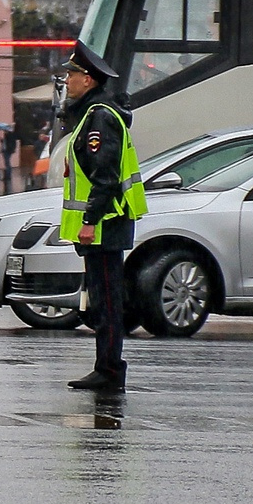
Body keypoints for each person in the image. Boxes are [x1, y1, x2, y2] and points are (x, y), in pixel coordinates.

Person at [57, 50, 148, 391]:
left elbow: (105, 176)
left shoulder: (100, 118)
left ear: (88, 79)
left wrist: (90, 221)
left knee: (108, 300)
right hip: (104, 224)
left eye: (72, 75)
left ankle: (110, 371)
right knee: (102, 298)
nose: (67, 81)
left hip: (106, 224)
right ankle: (105, 367)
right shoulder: (93, 115)